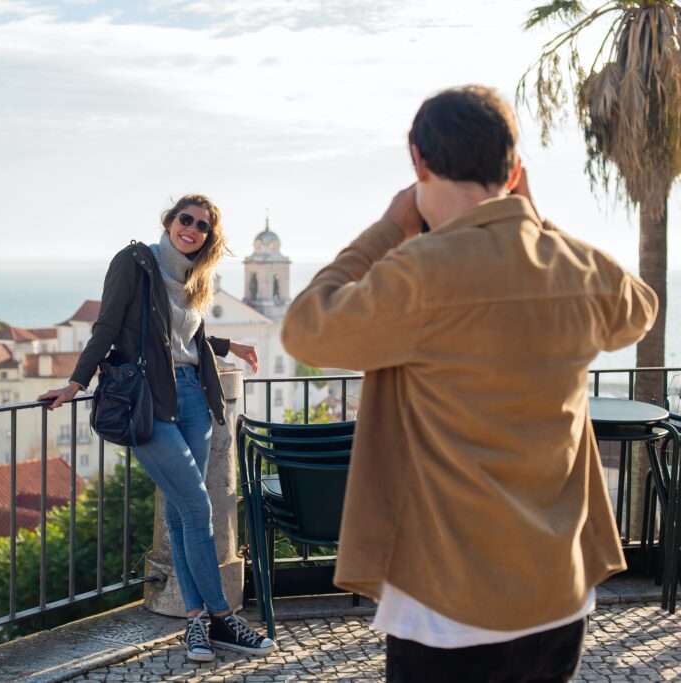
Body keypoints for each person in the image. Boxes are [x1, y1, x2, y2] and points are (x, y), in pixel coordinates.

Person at [281, 86, 657, 682]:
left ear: (419, 162)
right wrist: (535, 221)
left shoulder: (422, 272)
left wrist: (387, 228)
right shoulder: (573, 269)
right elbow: (640, 307)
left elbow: (305, 329)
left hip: (447, 605)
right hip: (557, 593)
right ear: (513, 171)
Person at [39, 194, 276, 662]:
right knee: (196, 505)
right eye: (185, 219)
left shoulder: (195, 277)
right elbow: (106, 327)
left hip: (193, 395)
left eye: (202, 225)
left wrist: (231, 344)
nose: (191, 228)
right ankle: (223, 618)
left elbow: (187, 336)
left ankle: (194, 624)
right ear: (169, 222)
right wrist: (74, 383)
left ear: (209, 236)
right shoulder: (135, 262)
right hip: (146, 400)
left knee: (179, 513)